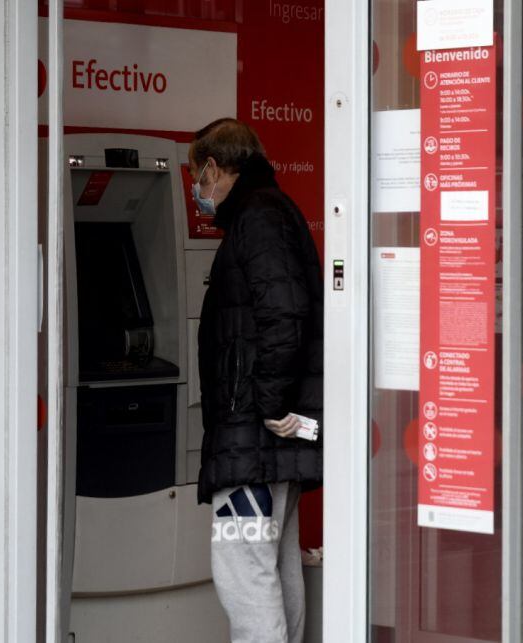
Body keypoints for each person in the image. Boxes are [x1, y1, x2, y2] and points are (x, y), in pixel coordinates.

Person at [190, 118, 324, 643]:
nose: (198, 192)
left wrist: (266, 404)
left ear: (215, 167)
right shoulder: (270, 210)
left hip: (253, 438)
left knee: (243, 571)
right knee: (273, 566)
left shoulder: (258, 217)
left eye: (198, 178)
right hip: (267, 438)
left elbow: (283, 316)